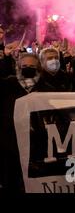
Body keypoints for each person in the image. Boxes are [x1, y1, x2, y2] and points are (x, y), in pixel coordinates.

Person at [0, 53, 41, 192]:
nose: (28, 69)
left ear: (38, 68)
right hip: (11, 143)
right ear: (18, 67)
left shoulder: (45, 88)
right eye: (24, 66)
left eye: (31, 66)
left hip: (36, 143)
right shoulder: (8, 85)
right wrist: (5, 58)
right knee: (11, 181)